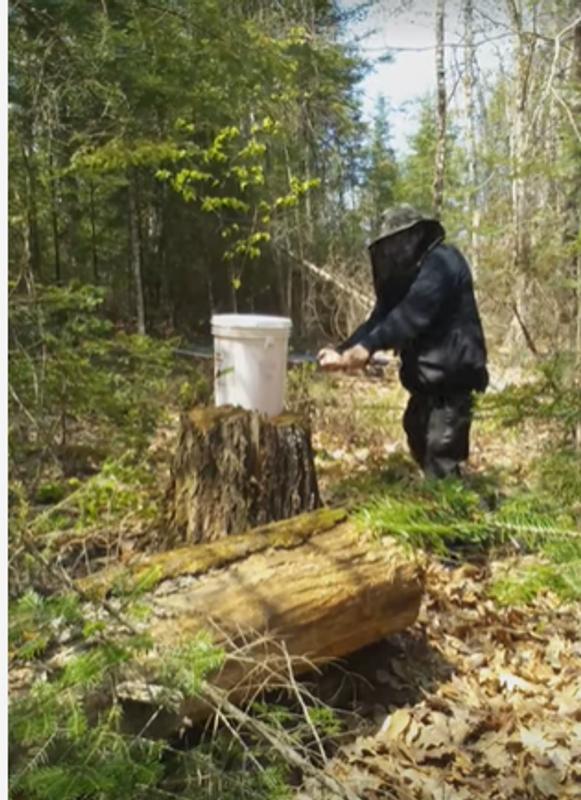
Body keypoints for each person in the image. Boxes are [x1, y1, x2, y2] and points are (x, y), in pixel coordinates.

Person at [318, 205, 488, 479]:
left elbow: (411, 314)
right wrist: (342, 350)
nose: (393, 251)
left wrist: (367, 348)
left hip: (452, 384)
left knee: (441, 460)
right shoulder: (405, 277)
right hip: (425, 385)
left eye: (398, 242)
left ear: (415, 236)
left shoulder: (443, 262)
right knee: (416, 433)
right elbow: (379, 319)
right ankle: (446, 503)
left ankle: (454, 514)